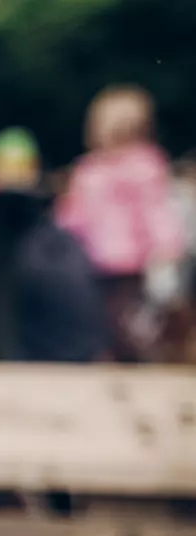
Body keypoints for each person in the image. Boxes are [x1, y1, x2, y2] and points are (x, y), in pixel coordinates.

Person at [57, 84, 184, 362]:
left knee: (125, 315)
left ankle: (132, 357)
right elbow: (74, 214)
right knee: (105, 315)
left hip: (127, 261)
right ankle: (117, 355)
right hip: (94, 259)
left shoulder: (144, 166)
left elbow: (155, 210)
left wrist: (167, 245)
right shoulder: (89, 169)